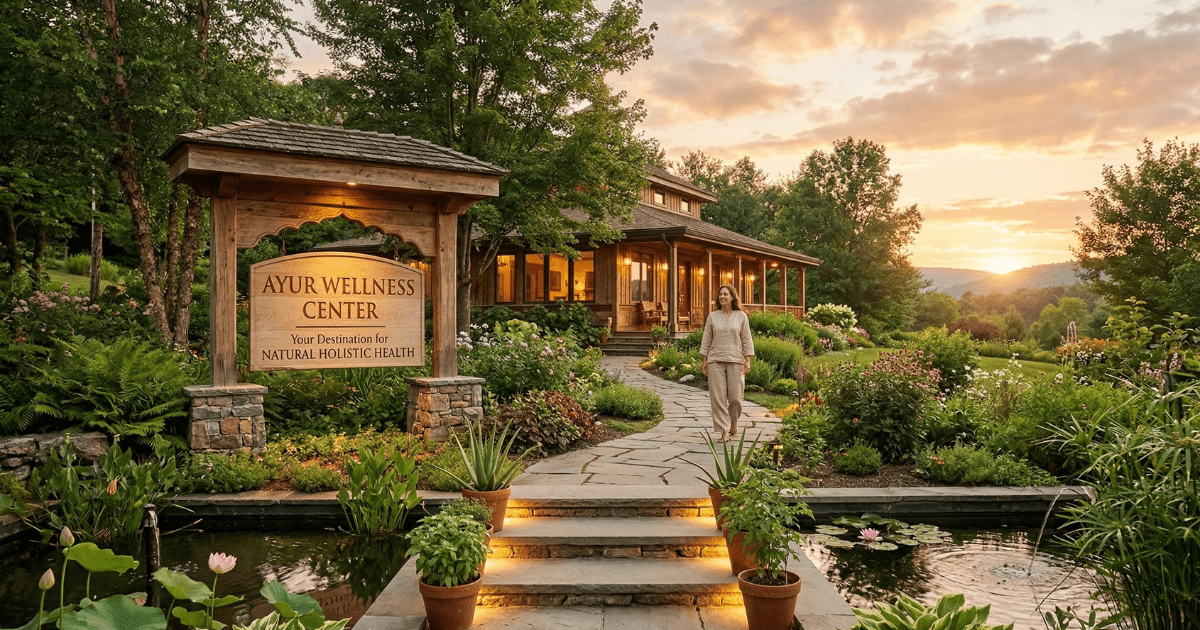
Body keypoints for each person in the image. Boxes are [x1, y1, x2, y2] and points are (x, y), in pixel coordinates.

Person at [699, 284, 754, 442]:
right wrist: (704, 359)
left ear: (732, 297)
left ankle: (734, 421)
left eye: (725, 294)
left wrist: (747, 359)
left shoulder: (741, 316)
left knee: (735, 397)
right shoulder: (713, 316)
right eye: (720, 294)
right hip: (715, 359)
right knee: (718, 397)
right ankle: (724, 431)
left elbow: (746, 338)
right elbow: (707, 339)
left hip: (736, 359)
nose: (722, 296)